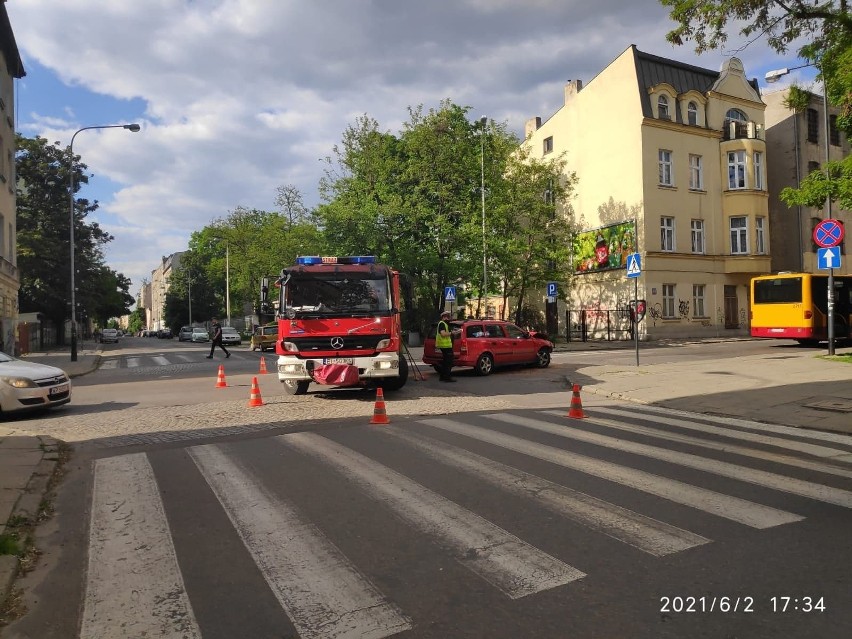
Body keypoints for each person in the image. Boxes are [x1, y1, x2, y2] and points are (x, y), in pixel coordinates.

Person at [435, 310, 456, 382]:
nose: (449, 318)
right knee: (448, 362)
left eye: (449, 317)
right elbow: (443, 334)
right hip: (445, 346)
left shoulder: (444, 324)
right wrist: (452, 333)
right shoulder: (442, 324)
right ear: (444, 317)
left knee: (445, 362)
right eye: (447, 317)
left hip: (445, 346)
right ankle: (447, 377)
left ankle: (442, 377)